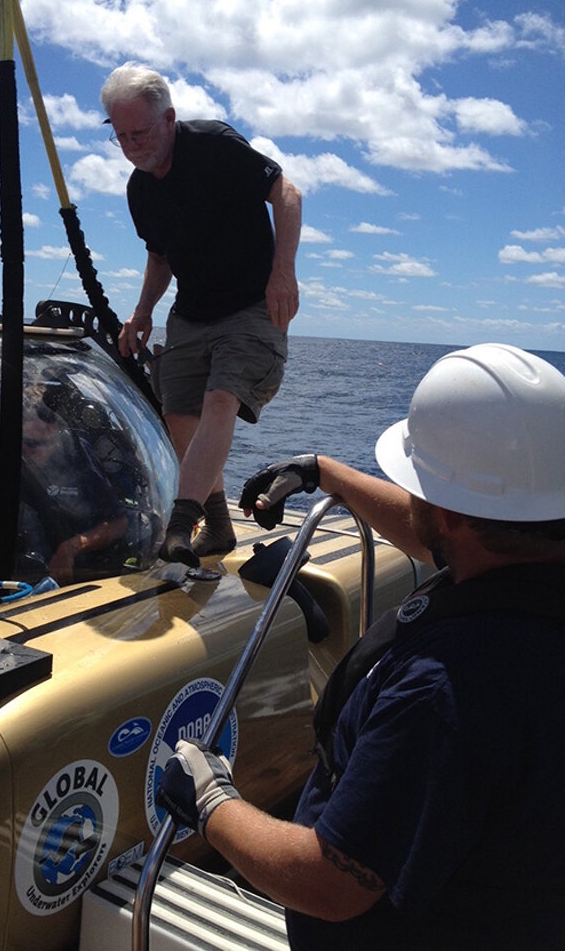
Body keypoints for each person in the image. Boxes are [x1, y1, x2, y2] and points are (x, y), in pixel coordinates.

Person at [156, 343, 565, 950]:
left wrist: (212, 801)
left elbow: (331, 883)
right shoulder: (528, 564)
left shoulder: (442, 692)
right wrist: (326, 472)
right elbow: (449, 534)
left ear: (452, 511)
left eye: (421, 482)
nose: (414, 496)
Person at [100, 63, 302, 567]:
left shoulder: (214, 144)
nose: (131, 146)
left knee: (219, 401)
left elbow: (287, 194)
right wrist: (142, 310)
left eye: (140, 132)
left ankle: (178, 528)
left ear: (169, 118)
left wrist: (283, 273)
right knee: (178, 417)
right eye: (120, 136)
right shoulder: (139, 189)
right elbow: (160, 256)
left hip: (252, 305)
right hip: (191, 311)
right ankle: (218, 526)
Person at [0, 403, 128, 590]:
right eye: (20, 440)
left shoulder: (78, 457)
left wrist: (72, 548)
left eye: (34, 443)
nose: (25, 450)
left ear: (55, 434)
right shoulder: (4, 453)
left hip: (72, 572)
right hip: (14, 566)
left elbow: (119, 523)